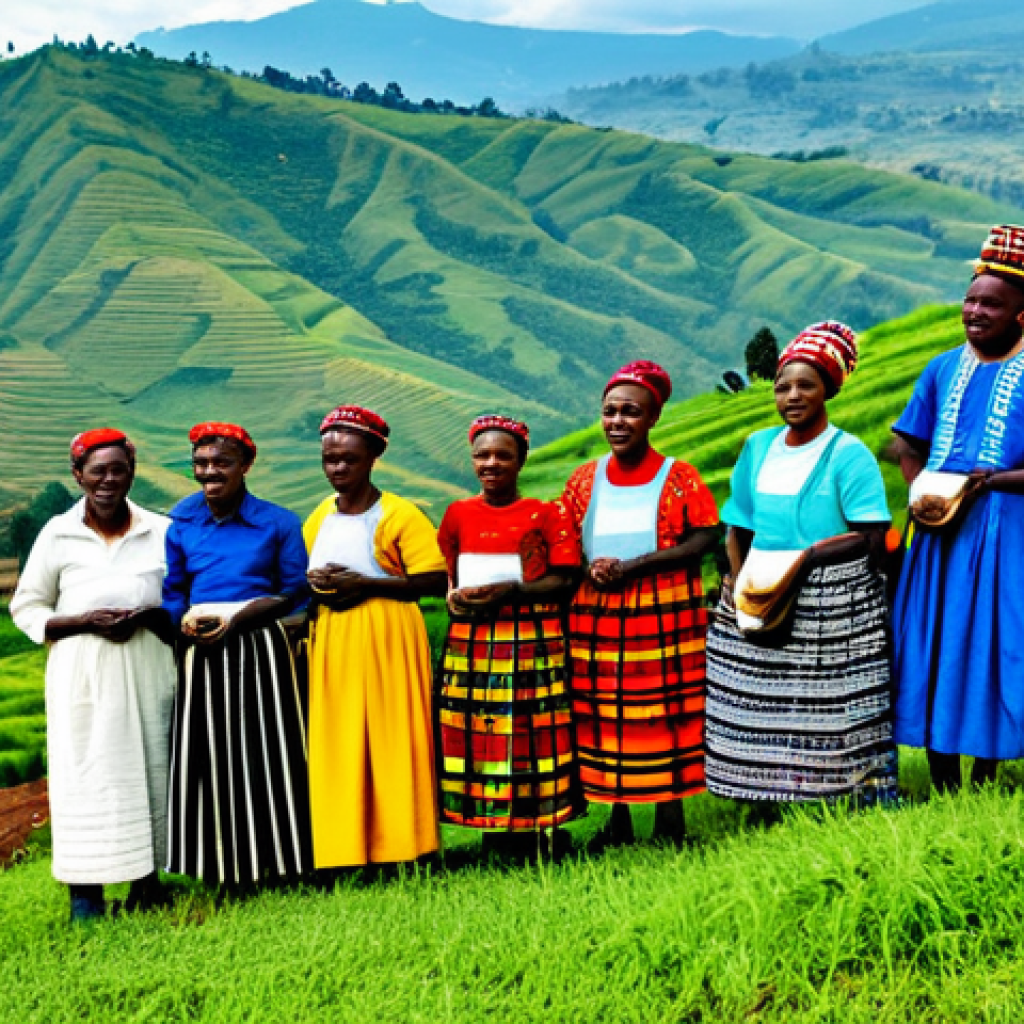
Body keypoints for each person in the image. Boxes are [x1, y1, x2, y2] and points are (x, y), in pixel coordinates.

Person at [704, 322, 897, 806]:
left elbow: (870, 536)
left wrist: (808, 557)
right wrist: (735, 581)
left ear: (828, 388)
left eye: (806, 385)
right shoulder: (758, 446)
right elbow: (739, 525)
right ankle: (763, 799)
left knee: (829, 710)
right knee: (757, 707)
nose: (792, 395)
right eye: (782, 385)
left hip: (829, 601)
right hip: (759, 592)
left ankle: (838, 797)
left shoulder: (847, 454)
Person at [11, 429, 176, 921]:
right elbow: (27, 607)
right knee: (88, 779)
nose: (108, 479)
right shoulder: (58, 534)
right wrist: (85, 621)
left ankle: (148, 885)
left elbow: (177, 602)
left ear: (132, 471)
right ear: (78, 475)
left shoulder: (160, 529)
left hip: (147, 670)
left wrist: (146, 617)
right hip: (83, 678)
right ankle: (86, 898)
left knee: (148, 772)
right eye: (97, 470)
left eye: (118, 469)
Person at [561, 361, 719, 846]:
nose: (617, 422)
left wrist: (634, 567)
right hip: (599, 615)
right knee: (606, 711)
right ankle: (619, 818)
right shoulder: (585, 480)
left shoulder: (679, 478)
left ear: (653, 418)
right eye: (610, 411)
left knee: (666, 711)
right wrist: (588, 567)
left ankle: (671, 818)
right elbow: (566, 540)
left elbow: (704, 538)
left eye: (631, 412)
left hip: (664, 613)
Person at [892, 225, 1024, 793]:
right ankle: (943, 775)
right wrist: (922, 491)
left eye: (990, 303)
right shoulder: (943, 367)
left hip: (1007, 535)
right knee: (936, 642)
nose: (974, 311)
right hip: (940, 540)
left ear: (1021, 313)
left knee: (992, 646)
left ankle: (987, 772)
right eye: (970, 299)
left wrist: (991, 481)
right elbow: (909, 443)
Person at [163, 422, 312, 886]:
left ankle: (282, 862)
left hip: (261, 648)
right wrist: (184, 624)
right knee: (206, 755)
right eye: (201, 463)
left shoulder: (278, 522)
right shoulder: (180, 522)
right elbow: (172, 592)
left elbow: (295, 592)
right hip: (199, 648)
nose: (210, 472)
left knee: (270, 752)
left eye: (221, 463)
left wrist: (241, 619)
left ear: (245, 466)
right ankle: (220, 868)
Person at [303, 406, 447, 869]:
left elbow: (433, 579)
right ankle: (343, 848)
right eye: (330, 459)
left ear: (373, 457)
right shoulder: (319, 516)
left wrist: (365, 584)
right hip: (334, 638)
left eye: (349, 459)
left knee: (392, 737)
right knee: (340, 741)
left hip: (389, 636)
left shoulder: (400, 514)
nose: (338, 469)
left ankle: (403, 847)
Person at [437, 416, 584, 854]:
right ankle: (491, 830)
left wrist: (513, 591)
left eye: (503, 455)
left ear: (521, 460)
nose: (492, 463)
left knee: (533, 730)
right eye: (482, 455)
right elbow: (449, 573)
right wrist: (454, 599)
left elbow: (565, 579)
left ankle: (544, 829)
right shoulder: (457, 514)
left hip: (532, 640)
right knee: (482, 731)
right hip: (474, 643)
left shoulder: (546, 513)